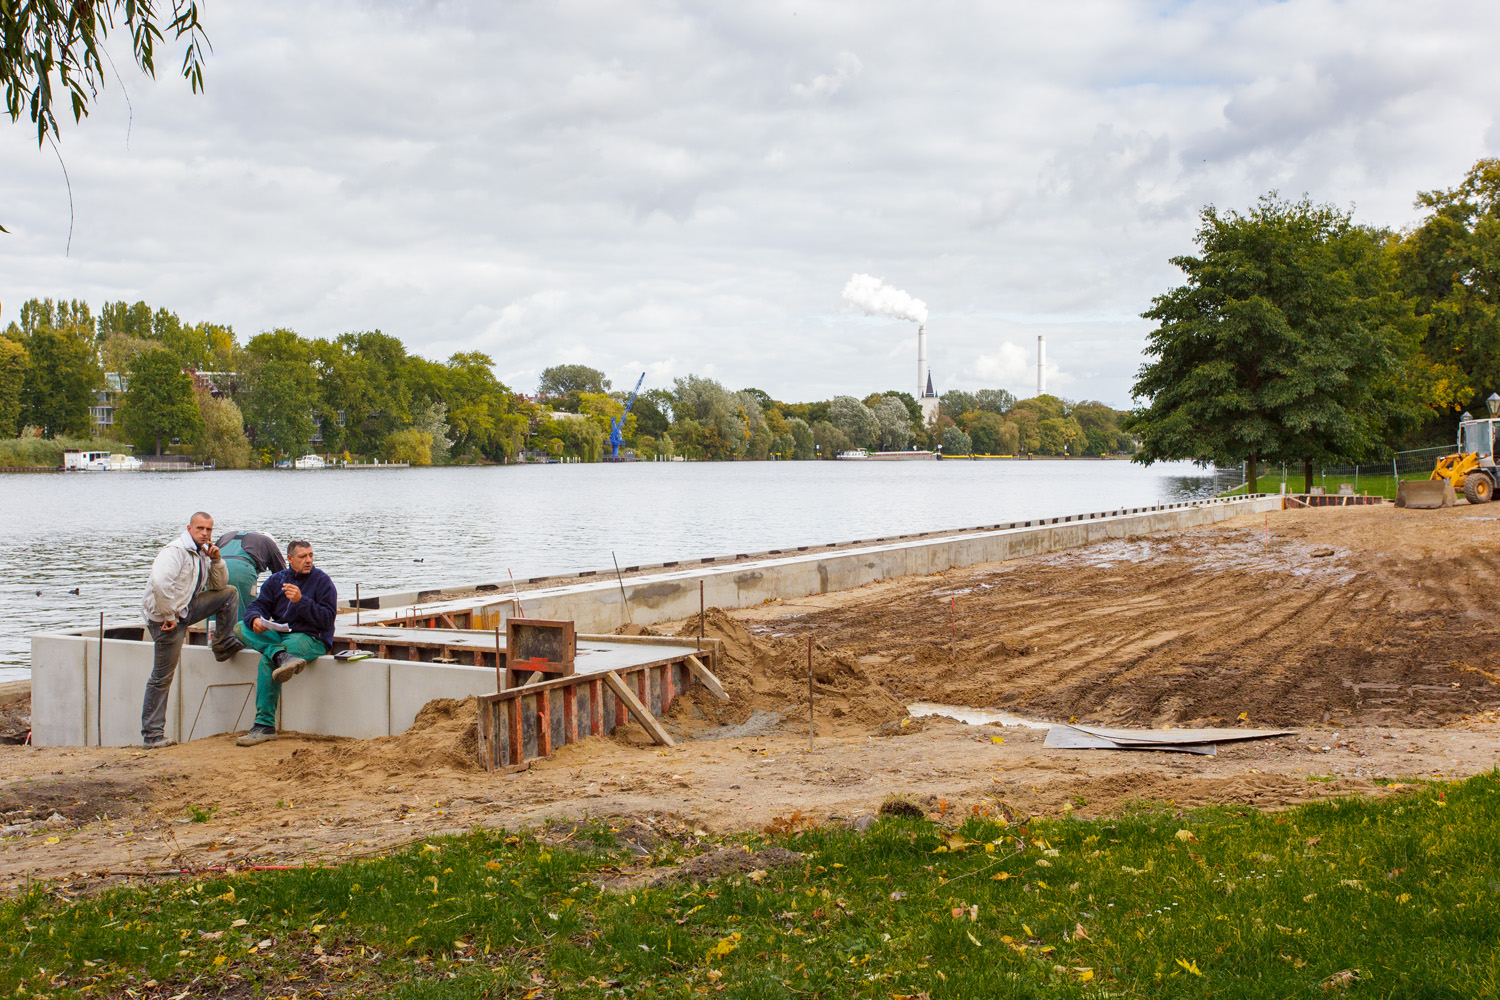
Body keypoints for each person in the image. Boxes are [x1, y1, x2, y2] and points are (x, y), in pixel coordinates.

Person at [140, 511, 244, 748]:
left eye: (209, 529)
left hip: (185, 610)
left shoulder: (203, 553)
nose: (205, 534)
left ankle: (223, 643)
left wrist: (217, 560)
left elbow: (218, 586)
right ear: (189, 528)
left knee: (229, 594)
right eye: (200, 529)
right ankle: (152, 736)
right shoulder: (174, 551)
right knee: (161, 677)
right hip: (166, 619)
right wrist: (169, 615)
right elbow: (160, 583)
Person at [232, 539, 338, 746]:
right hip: (282, 636)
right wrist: (255, 618)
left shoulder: (323, 581)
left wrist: (301, 601)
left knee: (267, 661)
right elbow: (259, 605)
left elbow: (327, 620)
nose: (308, 560)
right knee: (239, 627)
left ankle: (264, 726)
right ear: (290, 559)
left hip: (311, 637)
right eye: (302, 557)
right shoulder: (276, 580)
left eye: (310, 556)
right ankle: (282, 655)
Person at [214, 529, 287, 610]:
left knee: (215, 610)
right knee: (250, 610)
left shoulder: (227, 535)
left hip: (216, 570)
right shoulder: (268, 542)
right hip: (242, 570)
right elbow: (282, 575)